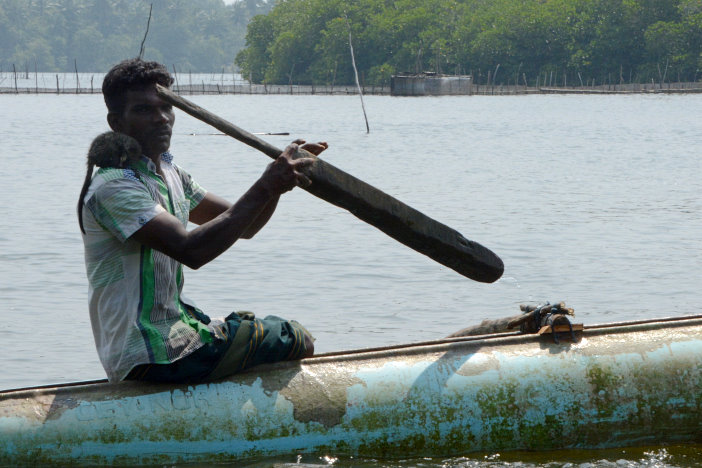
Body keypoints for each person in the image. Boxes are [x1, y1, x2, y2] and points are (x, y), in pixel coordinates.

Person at [78, 58, 328, 384]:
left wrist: (280, 183)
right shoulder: (114, 186)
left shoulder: (170, 173)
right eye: (143, 110)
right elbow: (191, 250)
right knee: (295, 337)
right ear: (117, 122)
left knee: (266, 331)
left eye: (166, 107)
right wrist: (266, 184)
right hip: (149, 355)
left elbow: (246, 225)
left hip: (180, 334)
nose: (161, 119)